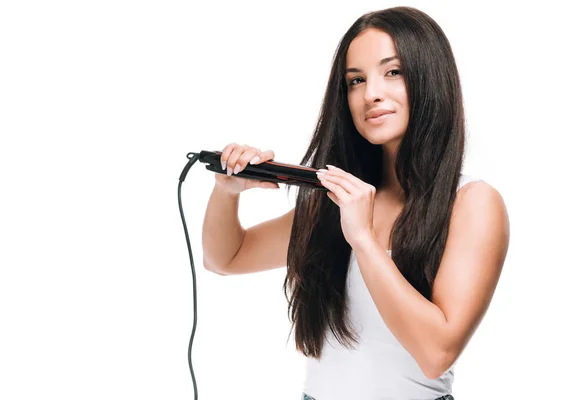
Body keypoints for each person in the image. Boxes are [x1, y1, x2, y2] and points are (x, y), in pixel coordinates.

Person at [202, 6, 510, 400]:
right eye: (355, 80)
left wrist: (363, 239)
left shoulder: (472, 203)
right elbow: (225, 259)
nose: (371, 93)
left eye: (393, 72)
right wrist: (226, 193)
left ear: (430, 79)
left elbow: (437, 353)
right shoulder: (335, 198)